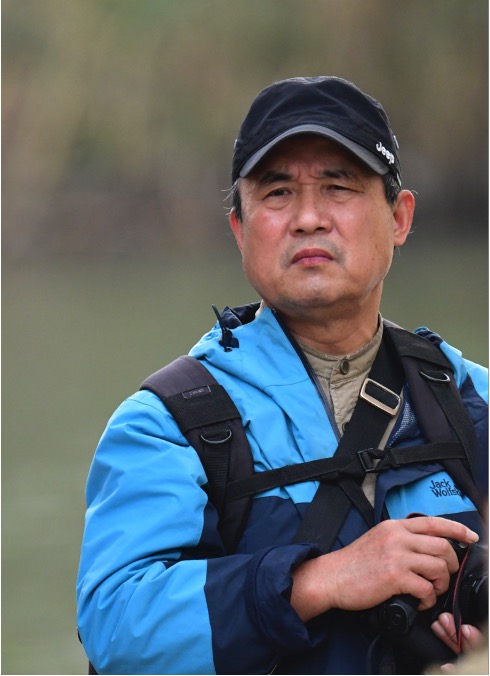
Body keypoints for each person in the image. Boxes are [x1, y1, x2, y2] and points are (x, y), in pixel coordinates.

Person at [77, 76, 488, 675]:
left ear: (399, 218)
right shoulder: (170, 425)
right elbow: (115, 626)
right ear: (240, 230)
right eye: (277, 193)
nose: (309, 218)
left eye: (339, 187)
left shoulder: (470, 401)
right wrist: (322, 580)